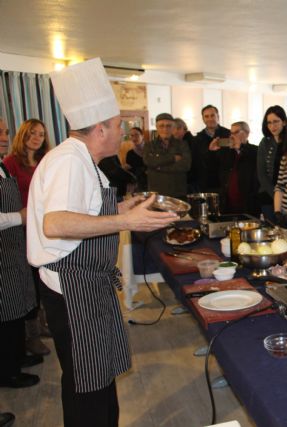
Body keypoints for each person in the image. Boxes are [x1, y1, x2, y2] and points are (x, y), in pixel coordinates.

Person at [26, 58, 178, 427]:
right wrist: (127, 220)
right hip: (72, 286)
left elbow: (88, 210)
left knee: (96, 378)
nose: (123, 131)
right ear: (99, 129)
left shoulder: (83, 160)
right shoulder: (68, 162)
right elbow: (57, 222)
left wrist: (128, 205)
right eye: (118, 126)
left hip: (87, 283)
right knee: (86, 385)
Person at [3, 118, 51, 356]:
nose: (37, 138)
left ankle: (42, 324)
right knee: (28, 283)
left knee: (43, 280)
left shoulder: (45, 161)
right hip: (20, 230)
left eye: (41, 134)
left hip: (44, 228)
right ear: (23, 135)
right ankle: (30, 335)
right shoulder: (11, 163)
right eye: (32, 133)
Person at [0, 117, 39, 391]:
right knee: (6, 315)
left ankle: (17, 357)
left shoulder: (2, 167)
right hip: (4, 254)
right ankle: (8, 372)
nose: (6, 136)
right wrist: (20, 216)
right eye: (1, 132)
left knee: (17, 310)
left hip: (13, 249)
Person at [143, 113, 191, 198]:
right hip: (156, 193)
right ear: (157, 128)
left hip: (178, 192)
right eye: (161, 126)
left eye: (168, 126)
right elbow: (149, 161)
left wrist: (159, 167)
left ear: (173, 128)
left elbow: (185, 165)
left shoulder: (182, 144)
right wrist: (172, 158)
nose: (165, 129)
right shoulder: (149, 145)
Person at [216, 121, 259, 216]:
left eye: (236, 132)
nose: (232, 136)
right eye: (231, 133)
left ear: (246, 133)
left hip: (248, 204)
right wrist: (212, 150)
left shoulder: (255, 151)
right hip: (228, 204)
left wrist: (241, 148)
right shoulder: (227, 152)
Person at [257, 105, 287, 222]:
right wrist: (276, 196)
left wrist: (284, 197)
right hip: (268, 195)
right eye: (269, 123)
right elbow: (262, 175)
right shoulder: (264, 143)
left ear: (284, 122)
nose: (272, 126)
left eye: (276, 121)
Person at [190, 105, 230, 192]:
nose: (210, 119)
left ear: (218, 116)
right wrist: (209, 151)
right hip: (206, 183)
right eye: (206, 116)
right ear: (203, 119)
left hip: (226, 181)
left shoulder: (228, 134)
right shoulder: (197, 139)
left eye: (212, 115)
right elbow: (196, 161)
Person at [125, 127, 146, 191]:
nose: (134, 138)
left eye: (136, 135)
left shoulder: (150, 149)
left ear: (142, 136)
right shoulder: (130, 153)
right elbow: (131, 172)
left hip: (152, 183)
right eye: (131, 135)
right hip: (138, 185)